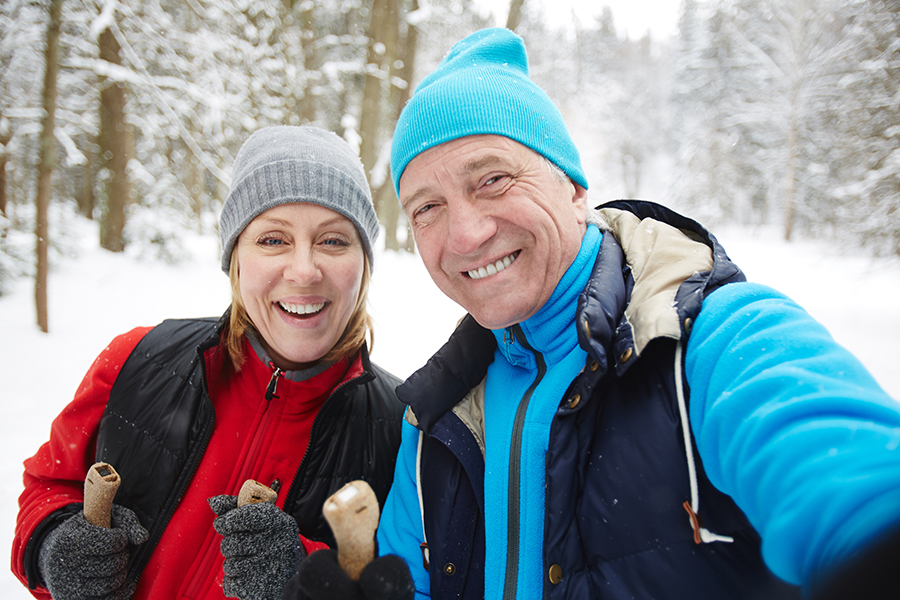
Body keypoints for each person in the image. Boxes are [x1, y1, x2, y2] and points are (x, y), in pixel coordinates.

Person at [284, 27, 900, 600]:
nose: (466, 234)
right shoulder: (434, 421)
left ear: (575, 188)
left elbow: (858, 499)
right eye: (427, 208)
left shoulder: (716, 342)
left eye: (493, 179)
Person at [11, 125, 407, 600]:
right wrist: (52, 544)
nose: (304, 270)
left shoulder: (404, 432)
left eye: (334, 241)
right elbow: (48, 483)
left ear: (364, 262)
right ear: (235, 257)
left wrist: (307, 579)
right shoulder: (138, 360)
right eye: (273, 240)